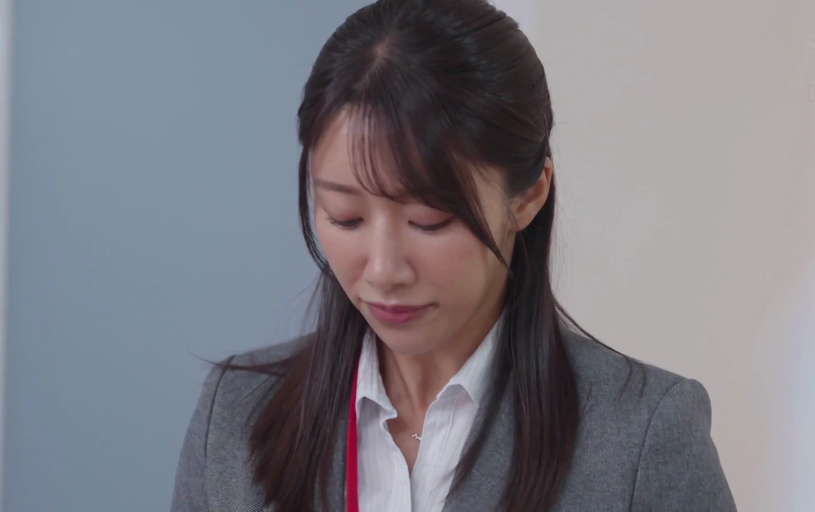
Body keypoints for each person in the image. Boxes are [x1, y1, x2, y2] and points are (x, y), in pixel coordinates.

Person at [170, 0, 736, 510]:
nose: (383, 270)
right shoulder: (236, 417)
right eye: (345, 217)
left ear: (528, 195)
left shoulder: (640, 437)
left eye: (429, 220)